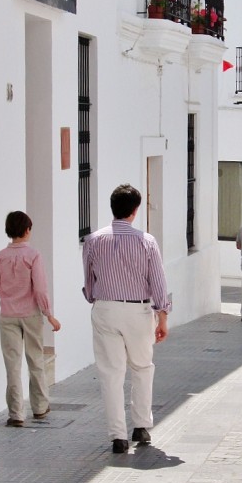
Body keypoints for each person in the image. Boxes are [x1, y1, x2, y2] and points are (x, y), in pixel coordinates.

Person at [82, 184, 170, 454]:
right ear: (135, 210)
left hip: (105, 308)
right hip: (137, 310)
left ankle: (117, 436)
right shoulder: (147, 241)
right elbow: (158, 281)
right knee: (142, 367)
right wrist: (163, 315)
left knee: (111, 373)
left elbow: (89, 279)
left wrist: (95, 297)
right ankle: (141, 425)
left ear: (113, 208)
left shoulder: (93, 240)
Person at [0, 211, 61, 428]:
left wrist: (9, 297)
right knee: (35, 361)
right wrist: (49, 314)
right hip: (31, 314)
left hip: (7, 315)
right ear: (27, 230)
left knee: (12, 365)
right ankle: (39, 407)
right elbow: (40, 288)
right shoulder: (33, 256)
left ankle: (16, 414)